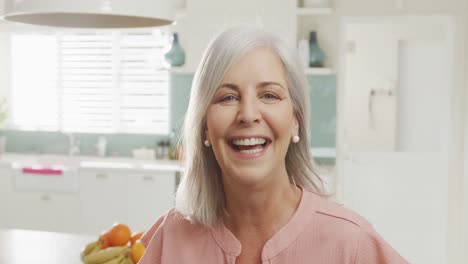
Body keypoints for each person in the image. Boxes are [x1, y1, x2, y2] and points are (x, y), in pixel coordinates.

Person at [139, 26, 409, 264]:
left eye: (269, 95)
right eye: (228, 97)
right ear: (205, 126)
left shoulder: (351, 243)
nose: (248, 114)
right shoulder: (169, 238)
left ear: (295, 121)